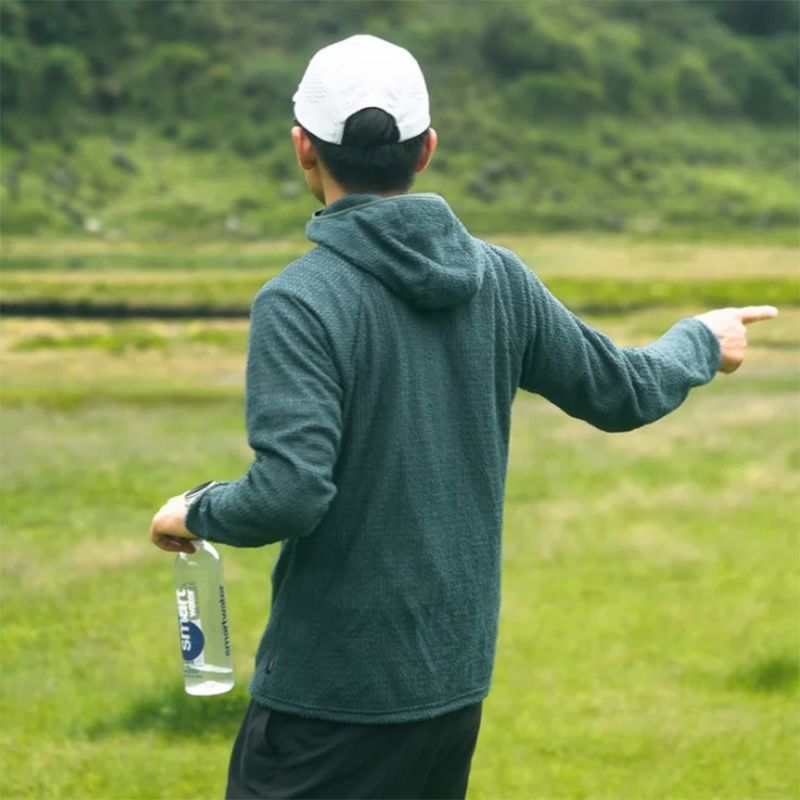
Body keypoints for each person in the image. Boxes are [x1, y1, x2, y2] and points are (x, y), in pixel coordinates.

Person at [150, 33, 778, 800]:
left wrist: (195, 509)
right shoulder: (499, 279)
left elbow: (291, 492)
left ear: (303, 147)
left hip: (332, 701)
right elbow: (622, 390)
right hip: (451, 693)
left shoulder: (301, 300)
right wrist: (701, 340)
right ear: (427, 150)